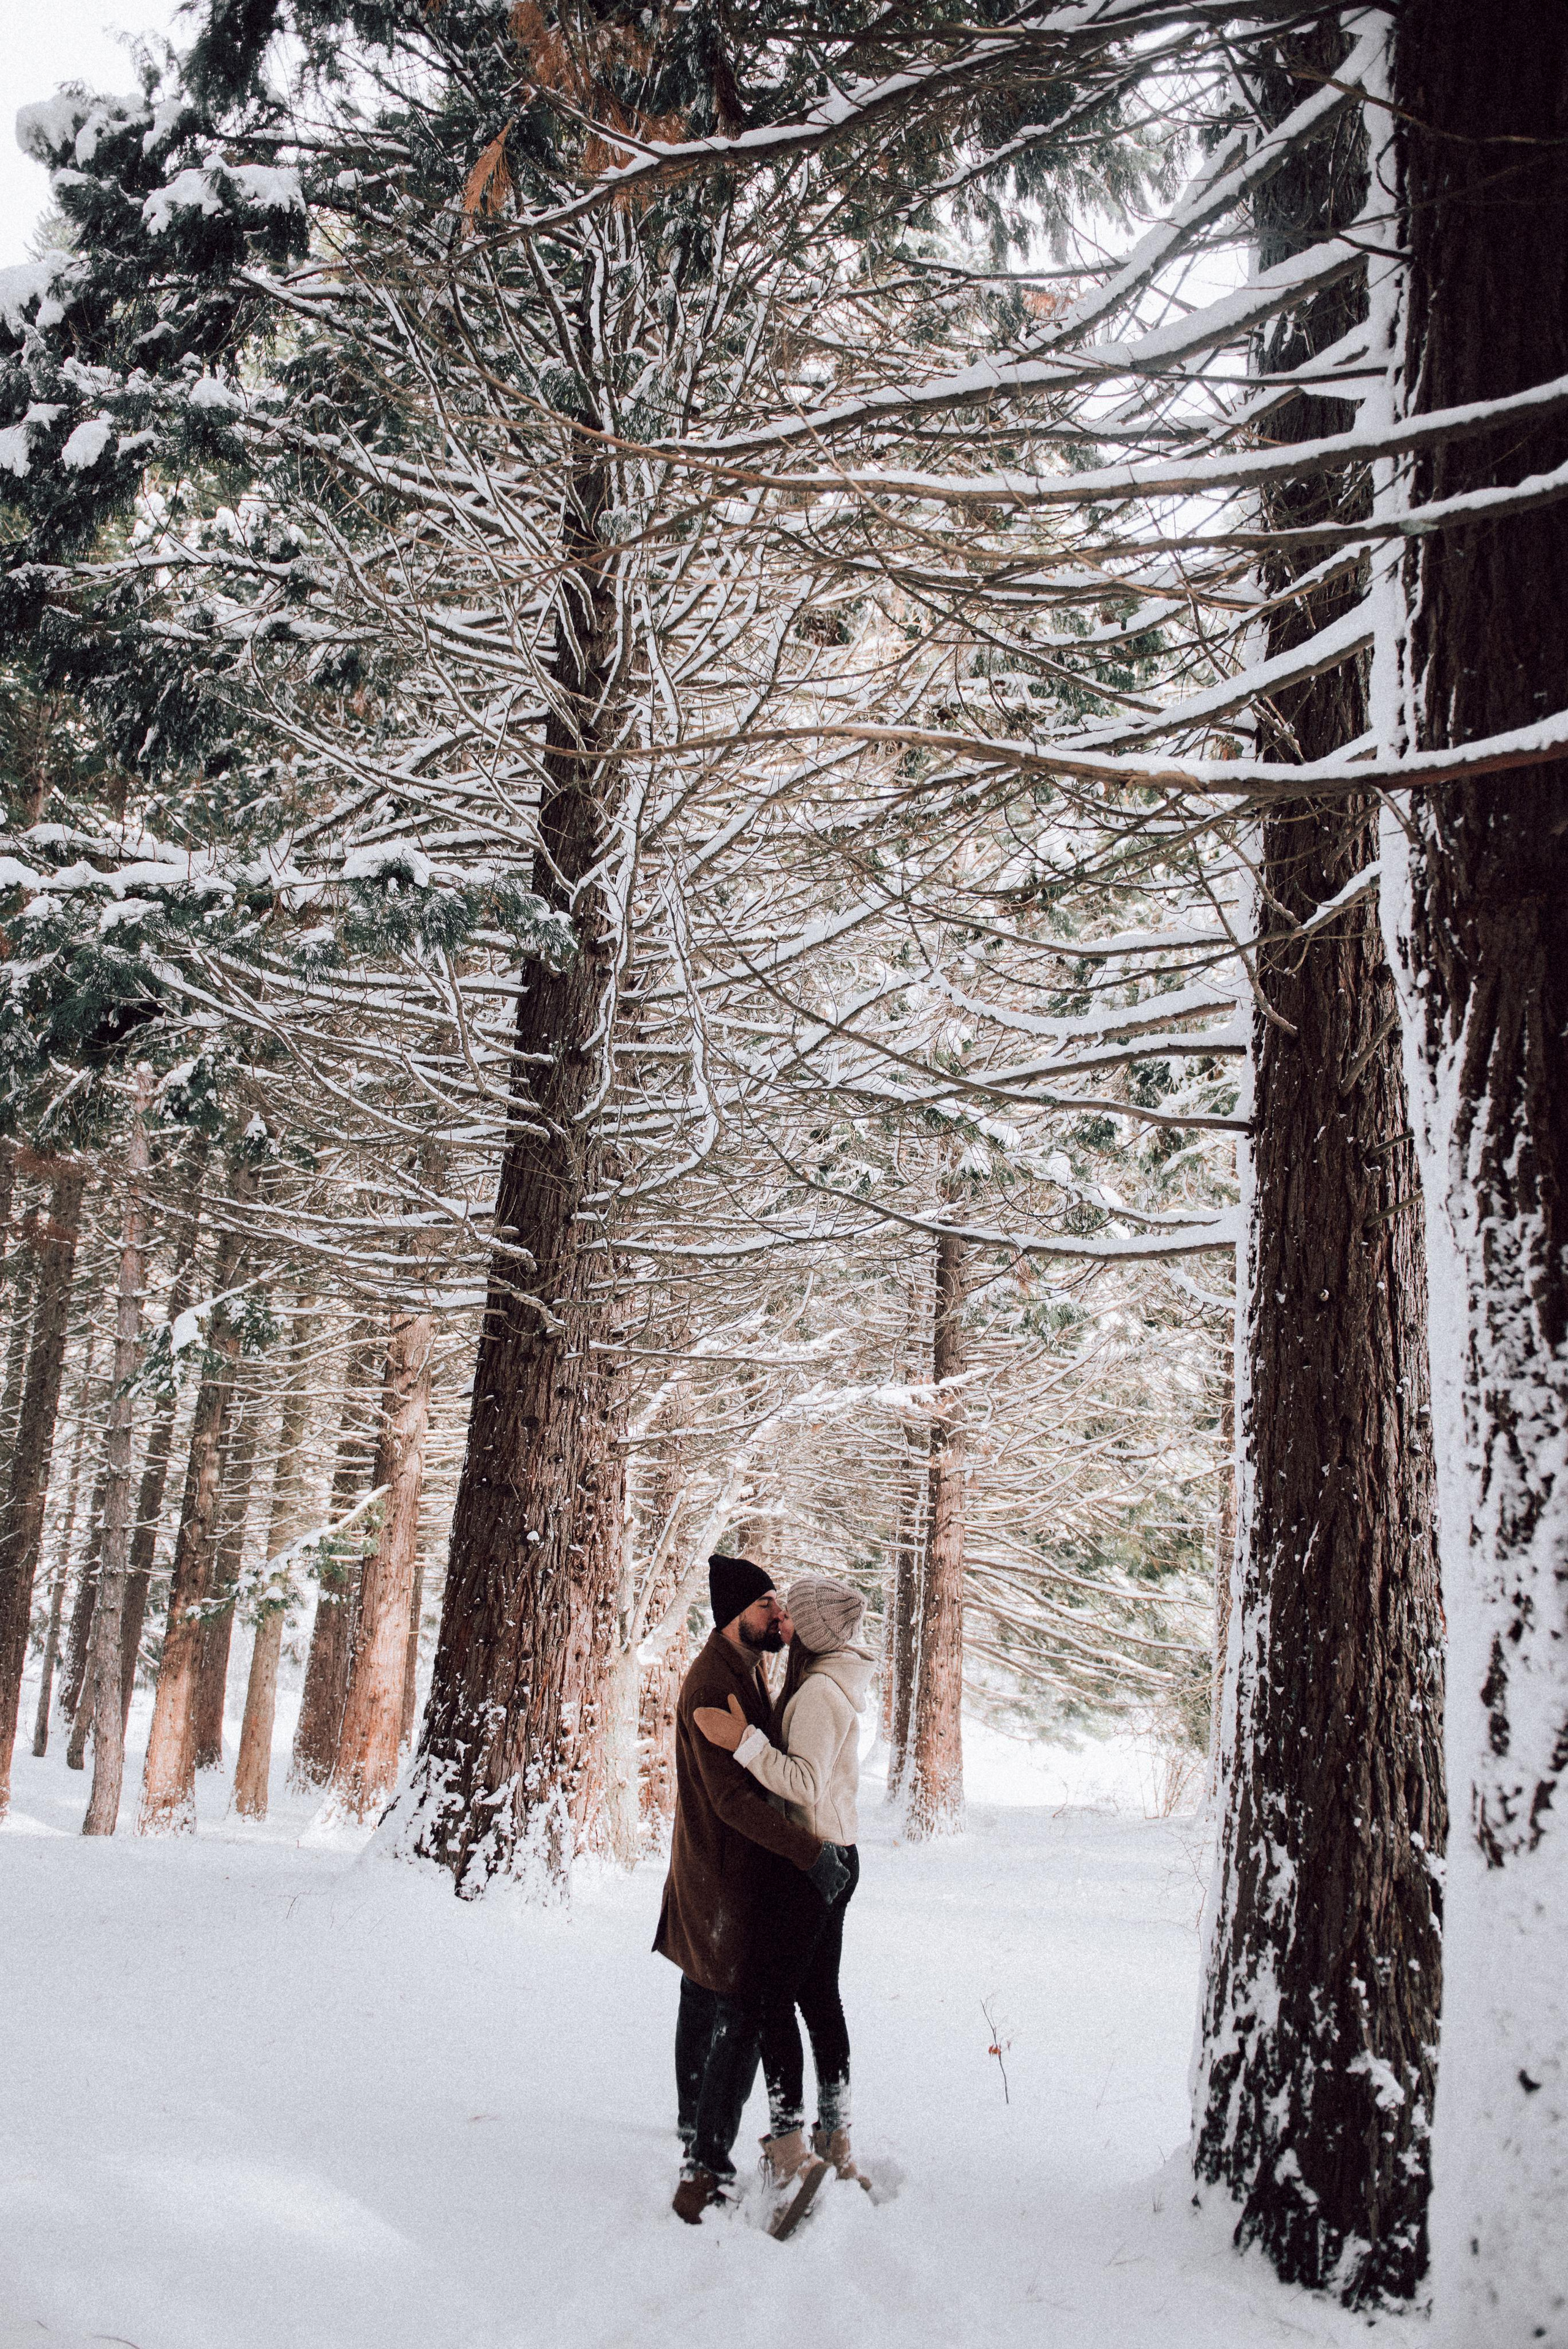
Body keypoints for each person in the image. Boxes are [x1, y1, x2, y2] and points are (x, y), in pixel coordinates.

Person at [654, 1553, 848, 2225]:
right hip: (722, 1873)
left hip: (724, 1870)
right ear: (735, 1614)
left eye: (781, 1605)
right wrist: (809, 1852)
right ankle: (702, 2172)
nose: (779, 1615)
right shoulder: (714, 1682)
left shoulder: (746, 1667)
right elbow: (733, 1801)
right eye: (767, 1604)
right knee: (732, 2008)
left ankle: (693, 2132)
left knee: (705, 1999)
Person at [696, 1572, 872, 2237]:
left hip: (815, 1858)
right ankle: (835, 2141)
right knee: (818, 1997)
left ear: (816, 1630)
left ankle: (791, 2149)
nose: (783, 1622)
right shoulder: (825, 1679)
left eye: (792, 1613)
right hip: (834, 1852)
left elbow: (803, 1778)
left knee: (775, 2001)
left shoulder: (823, 1692)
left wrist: (741, 1741)